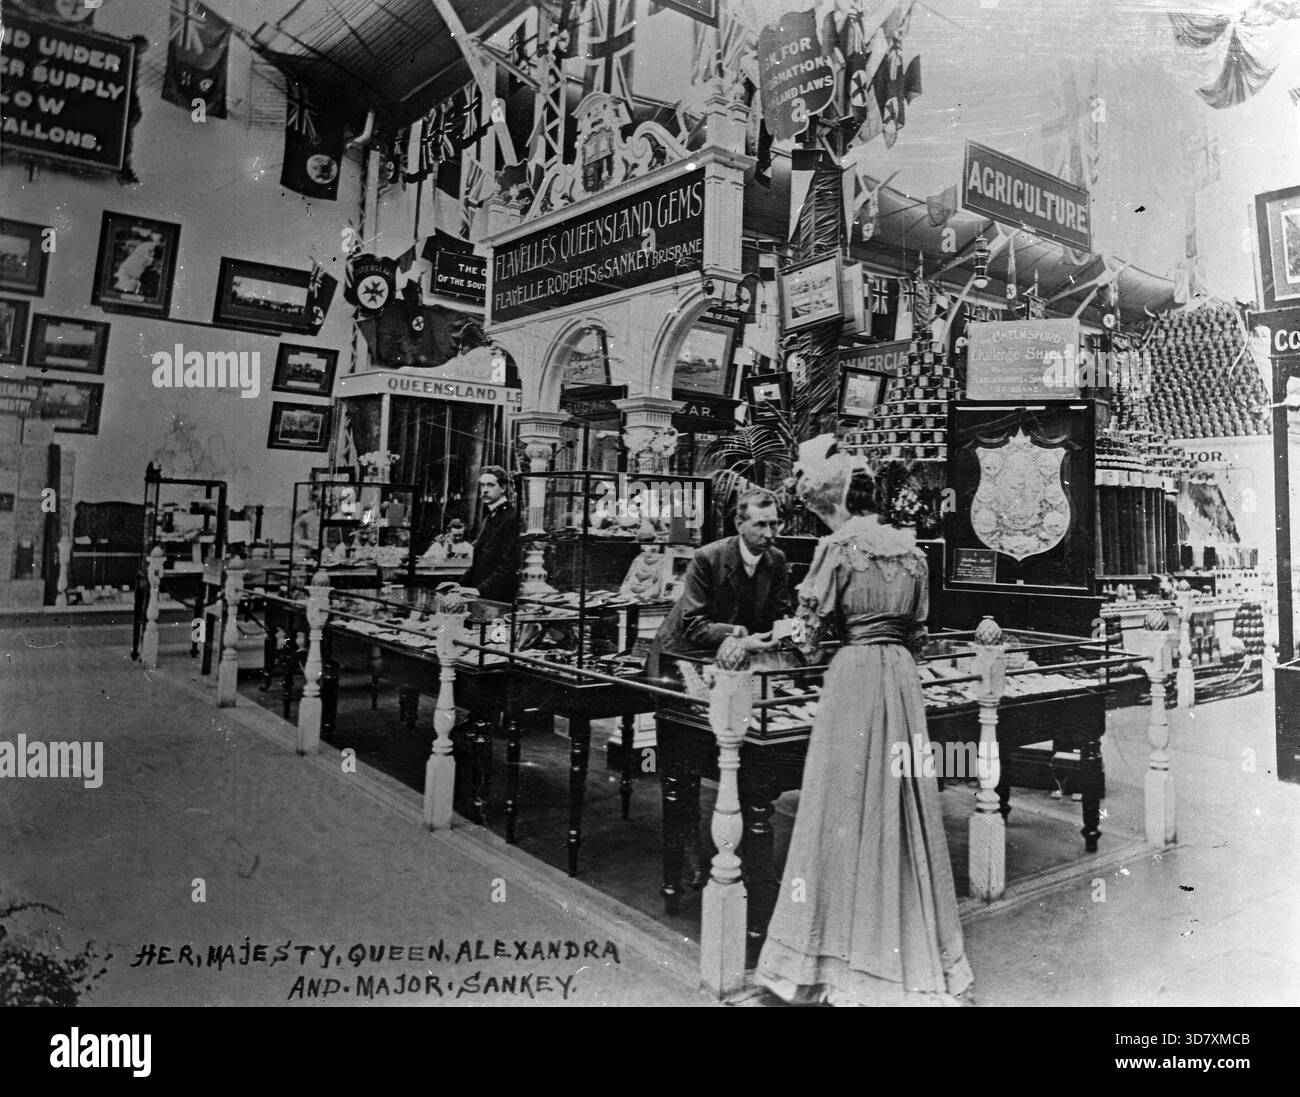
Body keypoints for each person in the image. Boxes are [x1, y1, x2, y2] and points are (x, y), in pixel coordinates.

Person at [753, 435, 973, 1007]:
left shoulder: (837, 550)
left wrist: (760, 640)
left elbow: (805, 641)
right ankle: (902, 944)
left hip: (852, 681)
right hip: (900, 682)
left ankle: (834, 954)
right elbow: (919, 634)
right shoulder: (912, 551)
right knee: (899, 804)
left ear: (834, 500)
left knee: (842, 803)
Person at [649, 488, 791, 674]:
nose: (769, 534)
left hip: (736, 657)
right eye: (760, 524)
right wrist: (740, 634)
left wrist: (795, 633)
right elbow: (694, 626)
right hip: (683, 656)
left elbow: (782, 613)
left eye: (774, 524)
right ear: (739, 524)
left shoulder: (777, 558)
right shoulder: (707, 557)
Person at [458, 465, 520, 603]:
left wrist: (479, 590)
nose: (485, 490)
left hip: (498, 597)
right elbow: (480, 562)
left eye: (490, 485)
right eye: (482, 485)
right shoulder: (492, 515)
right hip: (483, 594)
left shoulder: (510, 518)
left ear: (503, 488)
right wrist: (459, 584)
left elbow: (509, 566)